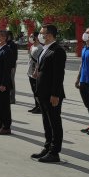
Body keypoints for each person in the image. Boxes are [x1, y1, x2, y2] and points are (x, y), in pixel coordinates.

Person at [31, 24, 66, 163]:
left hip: (52, 94)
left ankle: (54, 152)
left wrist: (55, 94)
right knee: (47, 122)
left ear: (50, 35)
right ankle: (47, 147)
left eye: (42, 33)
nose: (40, 35)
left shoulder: (57, 50)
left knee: (54, 122)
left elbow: (58, 75)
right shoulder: (44, 49)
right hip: (42, 93)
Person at [27, 32, 43, 114]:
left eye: (32, 36)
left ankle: (40, 107)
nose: (30, 37)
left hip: (35, 73)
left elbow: (39, 61)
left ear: (37, 37)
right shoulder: (32, 46)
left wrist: (36, 71)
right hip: (30, 71)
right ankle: (36, 106)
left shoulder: (40, 47)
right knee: (34, 91)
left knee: (37, 91)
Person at [6, 31, 19, 104]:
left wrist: (12, 66)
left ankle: (12, 98)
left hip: (11, 66)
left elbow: (14, 57)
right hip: (6, 65)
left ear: (9, 36)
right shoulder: (6, 44)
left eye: (6, 35)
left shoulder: (13, 44)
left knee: (11, 82)